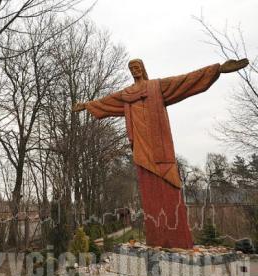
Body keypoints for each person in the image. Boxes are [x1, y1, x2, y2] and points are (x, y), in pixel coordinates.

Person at [73, 58, 248, 249]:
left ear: (143, 68)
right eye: (131, 68)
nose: (134, 70)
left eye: (137, 66)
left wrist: (218, 70)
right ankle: (158, 238)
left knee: (169, 186)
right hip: (141, 146)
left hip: (160, 147)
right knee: (150, 193)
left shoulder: (157, 87)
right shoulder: (127, 94)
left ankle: (177, 241)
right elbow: (105, 102)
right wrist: (86, 106)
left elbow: (185, 81)